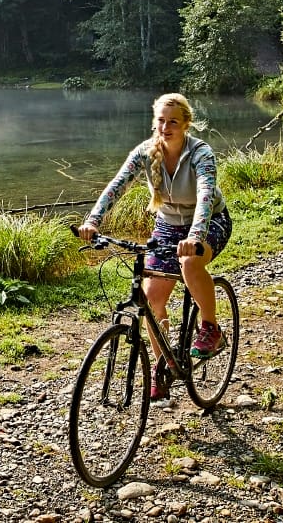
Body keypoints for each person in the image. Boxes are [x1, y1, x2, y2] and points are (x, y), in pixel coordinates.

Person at [78, 92, 233, 400]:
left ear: (186, 124)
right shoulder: (145, 153)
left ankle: (211, 328)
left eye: (173, 121)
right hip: (167, 225)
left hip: (209, 221)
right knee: (151, 299)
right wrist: (93, 221)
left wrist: (195, 236)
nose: (166, 127)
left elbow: (204, 197)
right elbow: (117, 185)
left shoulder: (201, 153)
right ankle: (165, 363)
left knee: (190, 263)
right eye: (161, 121)